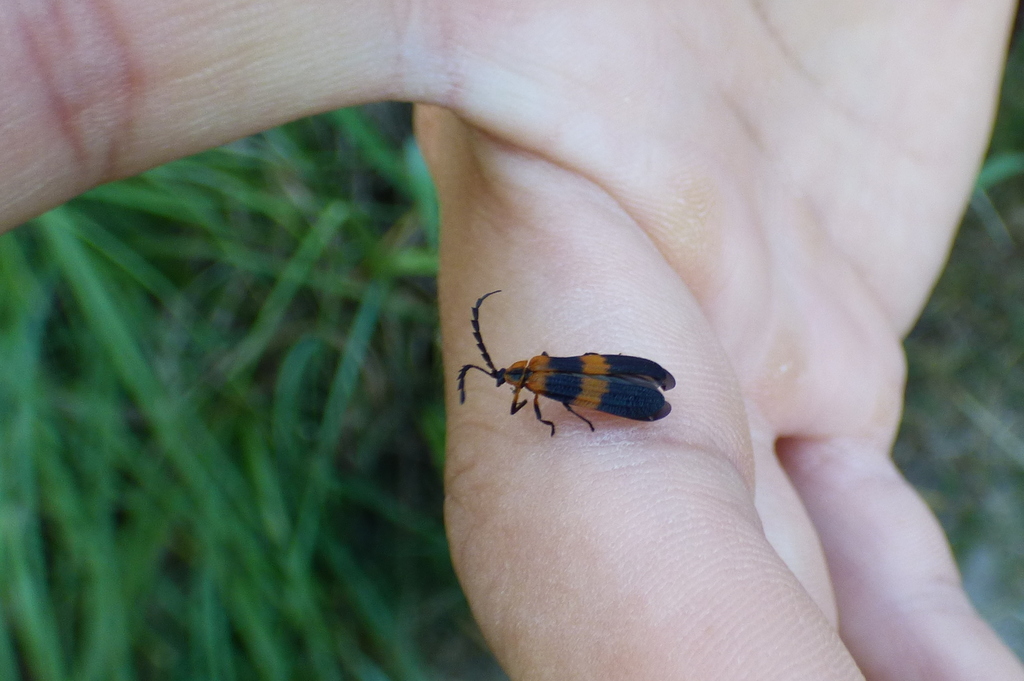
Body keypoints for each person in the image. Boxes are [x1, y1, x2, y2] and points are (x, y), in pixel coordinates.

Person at [4, 1, 1023, 678]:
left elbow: (621, 388)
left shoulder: (551, 382)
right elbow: (624, 386)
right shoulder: (550, 376)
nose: (510, 383)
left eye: (510, 377)